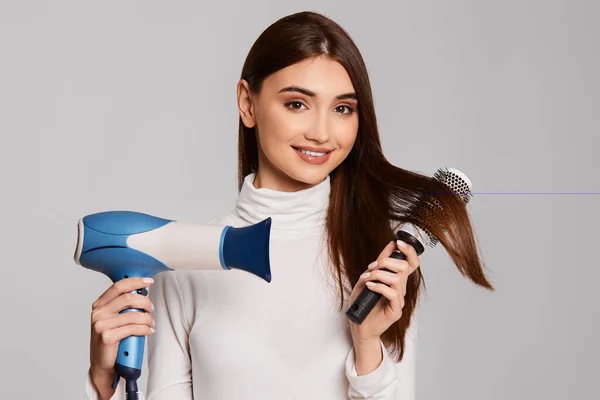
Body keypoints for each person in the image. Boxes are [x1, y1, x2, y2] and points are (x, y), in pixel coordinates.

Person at [84, 11, 494, 400]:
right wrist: (104, 383)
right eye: (297, 103)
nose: (321, 132)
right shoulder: (187, 261)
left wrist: (368, 344)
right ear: (248, 103)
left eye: (343, 109)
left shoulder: (381, 267)